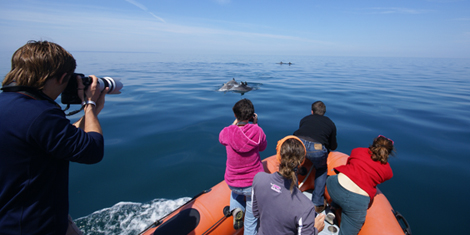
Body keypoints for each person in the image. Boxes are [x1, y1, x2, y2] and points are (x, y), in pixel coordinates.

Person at [0, 40, 108, 234]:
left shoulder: (12, 106)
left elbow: (58, 137)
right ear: (63, 77)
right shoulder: (40, 113)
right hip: (33, 227)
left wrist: (91, 113)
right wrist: (90, 103)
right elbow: (92, 151)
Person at [252, 135, 325, 234]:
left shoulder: (258, 179)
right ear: (302, 162)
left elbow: (256, 213)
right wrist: (316, 229)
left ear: (278, 157)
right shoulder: (305, 207)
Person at [326, 135, 394, 235]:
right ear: (389, 153)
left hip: (333, 186)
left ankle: (332, 209)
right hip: (356, 202)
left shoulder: (358, 151)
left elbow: (348, 166)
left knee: (344, 187)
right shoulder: (388, 171)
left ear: (374, 143)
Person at [219, 98, 267, 235]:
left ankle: (236, 209)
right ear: (252, 116)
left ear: (235, 115)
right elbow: (263, 147)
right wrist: (255, 124)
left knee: (235, 192)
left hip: (233, 183)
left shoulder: (227, 132)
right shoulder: (258, 131)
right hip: (252, 185)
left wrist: (235, 122)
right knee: (251, 221)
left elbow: (221, 138)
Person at [293, 101, 338, 213]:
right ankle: (317, 203)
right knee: (322, 169)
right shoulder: (330, 124)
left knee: (293, 166)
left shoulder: (305, 119)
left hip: (298, 143)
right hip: (317, 148)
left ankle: (291, 195)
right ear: (324, 112)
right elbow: (333, 146)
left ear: (312, 111)